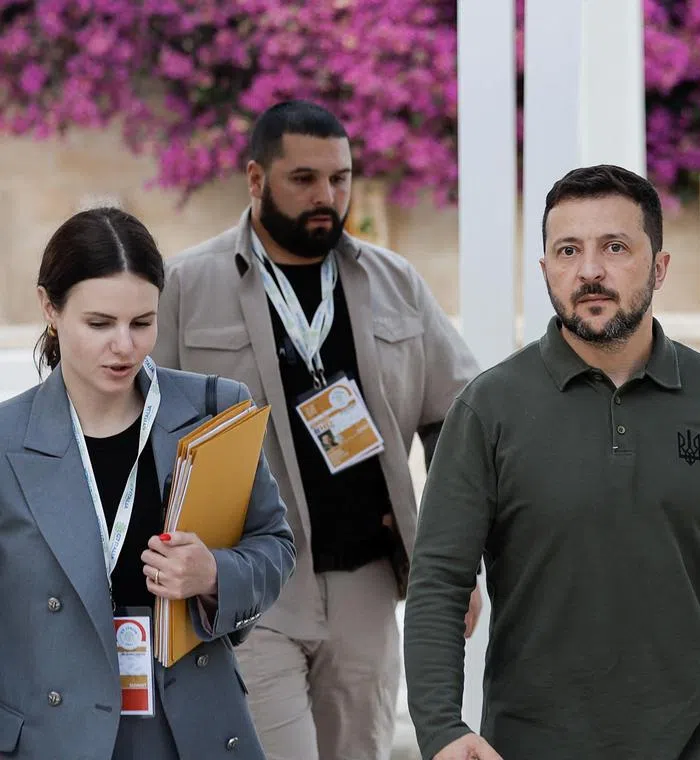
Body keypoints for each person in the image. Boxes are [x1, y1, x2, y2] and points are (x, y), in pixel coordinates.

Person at [404, 165, 700, 760]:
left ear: (659, 266)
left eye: (615, 247)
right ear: (545, 269)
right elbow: (439, 582)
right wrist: (441, 728)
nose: (590, 271)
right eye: (568, 250)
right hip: (533, 744)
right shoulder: (487, 409)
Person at [152, 100, 482, 760]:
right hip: (251, 584)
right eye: (303, 179)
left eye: (340, 177)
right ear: (256, 179)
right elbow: (146, 433)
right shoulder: (188, 284)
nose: (326, 197)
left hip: (368, 584)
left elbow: (456, 419)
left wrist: (452, 563)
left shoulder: (394, 281)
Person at [0, 207, 296, 759]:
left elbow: (276, 548)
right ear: (49, 307)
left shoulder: (216, 407)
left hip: (192, 729)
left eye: (142, 323)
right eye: (99, 324)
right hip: (54, 736)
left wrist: (215, 574)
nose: (125, 346)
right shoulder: (5, 441)